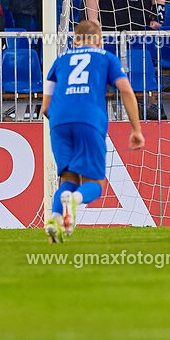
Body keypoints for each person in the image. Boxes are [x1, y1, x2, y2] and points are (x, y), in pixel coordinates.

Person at [41, 20, 144, 243]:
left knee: (67, 178)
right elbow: (125, 89)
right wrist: (136, 129)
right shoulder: (106, 57)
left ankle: (55, 222)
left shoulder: (59, 60)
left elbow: (45, 107)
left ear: (75, 41)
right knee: (95, 184)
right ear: (99, 40)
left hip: (58, 120)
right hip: (89, 118)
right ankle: (75, 200)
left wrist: (62, 122)